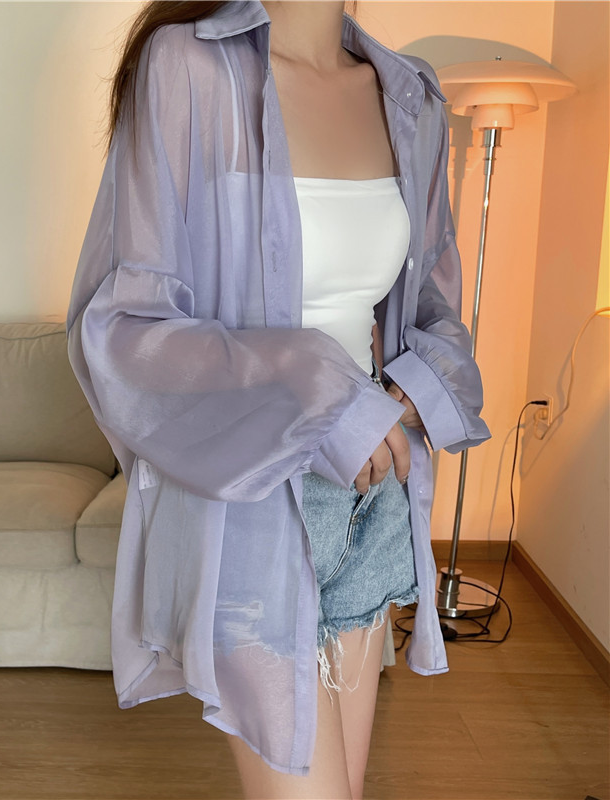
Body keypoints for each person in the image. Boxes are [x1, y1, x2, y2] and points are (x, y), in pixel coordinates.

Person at [66, 1, 490, 797]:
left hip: (373, 499)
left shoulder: (412, 95)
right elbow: (123, 333)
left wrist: (407, 393)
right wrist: (328, 395)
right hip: (252, 506)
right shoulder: (187, 67)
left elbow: (435, 312)